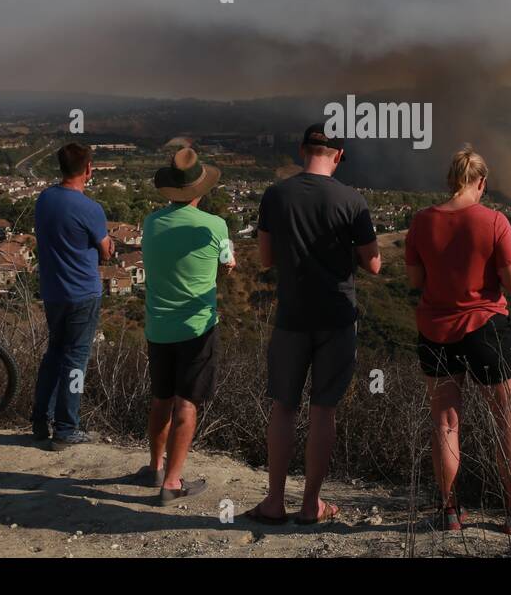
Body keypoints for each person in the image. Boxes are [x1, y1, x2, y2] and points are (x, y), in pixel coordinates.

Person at [244, 124, 380, 526]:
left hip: (291, 316)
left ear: (303, 150)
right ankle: (310, 505)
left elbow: (266, 259)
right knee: (324, 410)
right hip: (337, 319)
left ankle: (273, 502)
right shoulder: (352, 200)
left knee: (283, 407)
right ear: (339, 155)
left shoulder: (275, 195)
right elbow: (373, 264)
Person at [403, 145, 511, 535]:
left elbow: (415, 281)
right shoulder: (494, 222)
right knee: (509, 421)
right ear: (482, 182)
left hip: (435, 333)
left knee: (445, 423)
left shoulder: (421, 222)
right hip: (487, 329)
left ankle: (449, 512)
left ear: (451, 180)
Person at [137, 148, 234, 502]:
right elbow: (226, 265)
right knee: (187, 403)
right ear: (200, 188)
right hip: (197, 328)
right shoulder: (216, 226)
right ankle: (173, 483)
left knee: (160, 398)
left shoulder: (151, 223)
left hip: (157, 326)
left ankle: (154, 467)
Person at [32, 143, 112, 450]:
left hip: (53, 292)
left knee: (54, 353)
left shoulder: (44, 199)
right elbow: (105, 251)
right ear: (89, 168)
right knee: (76, 359)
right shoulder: (90, 208)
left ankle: (40, 420)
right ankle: (66, 427)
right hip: (82, 293)